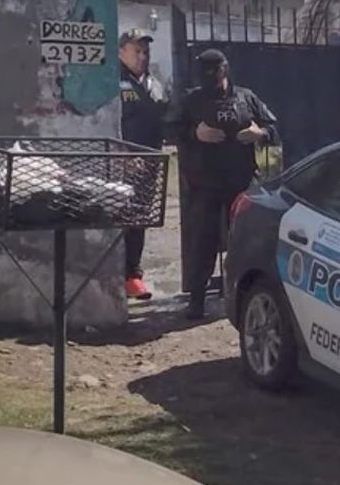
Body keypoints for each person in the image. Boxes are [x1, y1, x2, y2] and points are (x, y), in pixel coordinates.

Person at [164, 49, 279, 320]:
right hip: (204, 184)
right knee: (202, 243)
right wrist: (195, 133)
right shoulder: (191, 100)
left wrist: (259, 133)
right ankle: (197, 299)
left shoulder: (245, 97)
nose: (209, 77)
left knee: (245, 241)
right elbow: (169, 130)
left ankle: (240, 295)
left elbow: (273, 129)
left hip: (241, 182)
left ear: (224, 70)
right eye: (204, 72)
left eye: (214, 71)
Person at [118, 28, 169, 301]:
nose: (142, 56)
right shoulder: (112, 82)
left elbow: (166, 121)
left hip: (149, 163)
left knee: (139, 219)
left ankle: (132, 275)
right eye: (136, 51)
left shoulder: (155, 85)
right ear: (121, 52)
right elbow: (107, 123)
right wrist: (123, 154)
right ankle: (117, 273)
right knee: (118, 218)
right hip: (120, 165)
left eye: (146, 52)